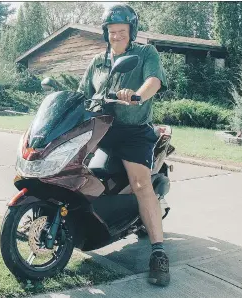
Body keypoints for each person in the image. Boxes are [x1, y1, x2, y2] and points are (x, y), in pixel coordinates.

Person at [78, 4, 170, 286]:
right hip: (101, 130)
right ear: (106, 33)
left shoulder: (144, 54)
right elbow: (81, 94)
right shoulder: (98, 61)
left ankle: (158, 253)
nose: (116, 36)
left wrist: (138, 96)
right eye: (111, 31)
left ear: (131, 32)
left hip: (133, 131)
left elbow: (154, 81)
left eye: (121, 31)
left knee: (141, 184)